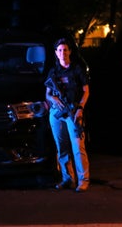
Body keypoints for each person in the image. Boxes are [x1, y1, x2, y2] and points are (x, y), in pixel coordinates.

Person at [45, 38, 90, 192]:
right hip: (57, 113)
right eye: (59, 50)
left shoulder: (77, 69)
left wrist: (80, 109)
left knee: (78, 147)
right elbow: (48, 94)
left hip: (73, 111)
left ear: (69, 51)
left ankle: (83, 180)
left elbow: (86, 91)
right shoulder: (53, 71)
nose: (62, 53)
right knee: (61, 147)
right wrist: (53, 98)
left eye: (65, 50)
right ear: (56, 53)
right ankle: (67, 178)